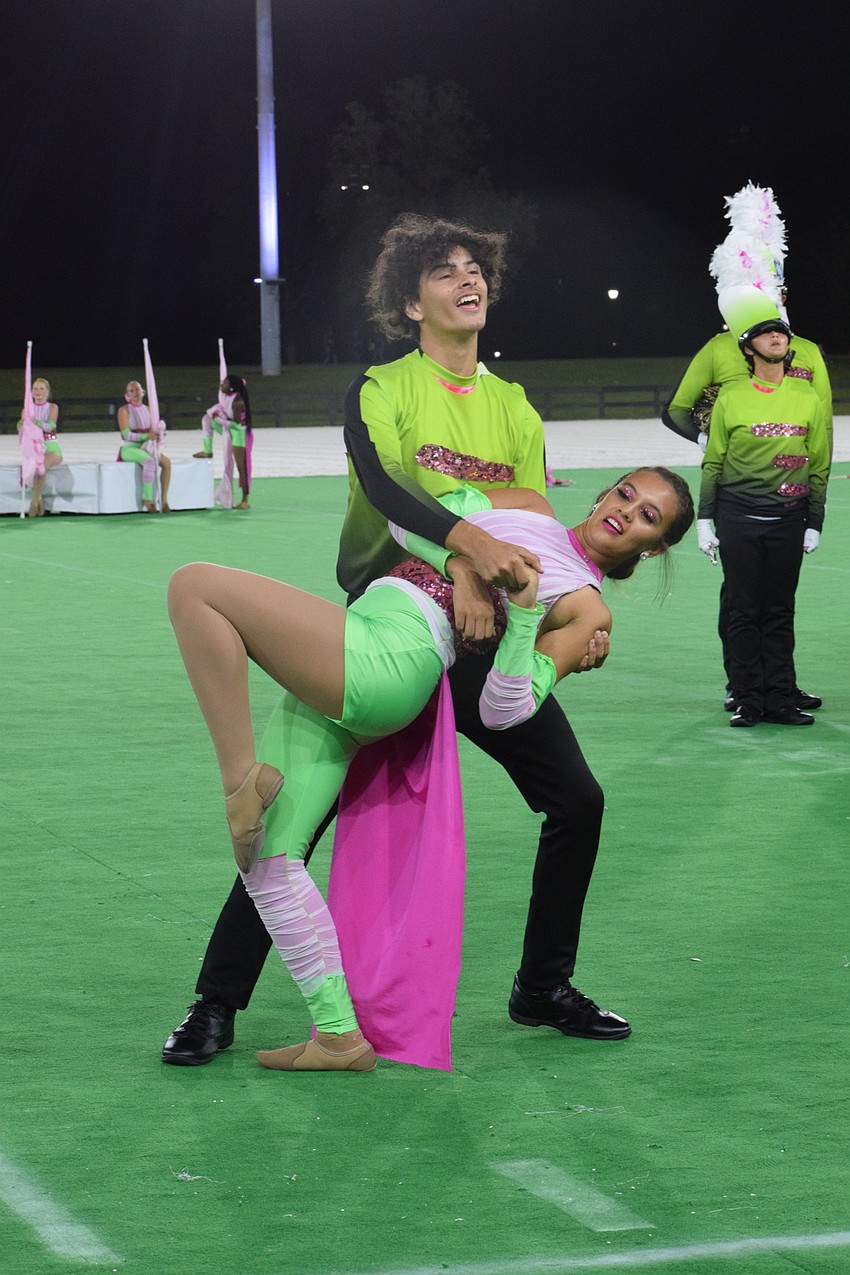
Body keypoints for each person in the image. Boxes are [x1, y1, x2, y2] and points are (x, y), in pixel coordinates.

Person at [162, 213, 638, 1066]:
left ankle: (541, 986)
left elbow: (520, 521)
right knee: (294, 817)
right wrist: (460, 560)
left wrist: (570, 614)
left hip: (484, 636)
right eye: (444, 271)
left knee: (578, 799)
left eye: (475, 268)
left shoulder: (514, 408)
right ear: (410, 301)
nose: (468, 280)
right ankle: (215, 1002)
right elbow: (384, 490)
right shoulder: (382, 389)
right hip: (392, 618)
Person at [167, 467, 695, 1070]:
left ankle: (239, 781)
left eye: (648, 517)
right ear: (605, 492)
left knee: (195, 587)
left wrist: (522, 616)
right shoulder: (525, 504)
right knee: (268, 854)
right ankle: (334, 1036)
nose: (626, 511)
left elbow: (504, 709)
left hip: (395, 655)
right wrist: (462, 564)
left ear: (653, 549)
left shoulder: (586, 609)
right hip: (367, 628)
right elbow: (404, 516)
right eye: (626, 493)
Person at [662, 182, 831, 714]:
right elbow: (675, 410)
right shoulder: (717, 349)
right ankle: (743, 685)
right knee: (740, 599)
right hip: (736, 492)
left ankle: (781, 687)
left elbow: (820, 421)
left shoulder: (807, 353)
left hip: (788, 494)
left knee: (778, 602)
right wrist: (709, 442)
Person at [697, 285, 830, 728]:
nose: (777, 336)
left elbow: (819, 466)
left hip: (789, 522)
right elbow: (713, 461)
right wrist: (704, 520)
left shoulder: (807, 397)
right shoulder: (732, 397)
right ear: (748, 348)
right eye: (766, 332)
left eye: (781, 332)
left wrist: (815, 522)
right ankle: (749, 699)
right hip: (737, 519)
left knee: (779, 612)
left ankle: (780, 699)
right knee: (743, 611)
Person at [193, 372, 252, 510]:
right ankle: (207, 450)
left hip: (238, 433)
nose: (221, 384)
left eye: (224, 383)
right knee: (206, 419)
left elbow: (236, 425)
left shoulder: (238, 401)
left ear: (231, 388)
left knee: (241, 467)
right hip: (228, 428)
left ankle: (245, 499)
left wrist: (218, 419)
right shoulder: (226, 396)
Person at [116, 381, 171, 514]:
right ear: (127, 395)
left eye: (137, 389)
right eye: (131, 390)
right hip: (129, 449)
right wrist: (146, 436)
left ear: (142, 392)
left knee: (166, 463)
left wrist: (160, 433)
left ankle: (164, 500)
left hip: (147, 447)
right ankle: (148, 499)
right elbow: (125, 435)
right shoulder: (124, 410)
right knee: (149, 462)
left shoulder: (148, 409)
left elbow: (154, 429)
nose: (135, 392)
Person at [19, 377, 61, 517]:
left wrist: (35, 422)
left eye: (42, 389)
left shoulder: (52, 407)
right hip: (34, 446)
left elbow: (51, 427)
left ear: (47, 391)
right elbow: (20, 428)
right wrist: (22, 423)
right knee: (32, 469)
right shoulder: (27, 408)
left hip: (50, 445)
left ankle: (34, 503)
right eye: (35, 388)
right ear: (31, 392)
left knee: (40, 467)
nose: (38, 391)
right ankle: (39, 500)